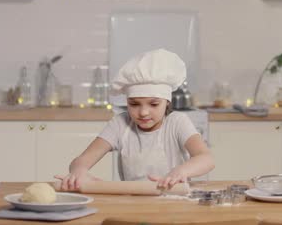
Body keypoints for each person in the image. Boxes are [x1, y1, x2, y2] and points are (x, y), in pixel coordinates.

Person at [55, 49, 214, 191]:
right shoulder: (120, 124)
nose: (143, 112)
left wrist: (180, 172)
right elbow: (81, 160)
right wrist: (78, 171)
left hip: (175, 200)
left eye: (153, 104)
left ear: (167, 102)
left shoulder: (177, 122)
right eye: (134, 104)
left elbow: (206, 158)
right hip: (133, 200)